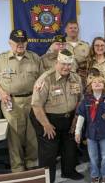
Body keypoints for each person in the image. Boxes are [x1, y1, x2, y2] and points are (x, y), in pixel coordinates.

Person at [0, 29, 42, 172]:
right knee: (15, 137)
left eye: (23, 42)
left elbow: (43, 80)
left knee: (33, 135)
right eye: (17, 42)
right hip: (11, 103)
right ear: (10, 43)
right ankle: (17, 168)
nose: (20, 44)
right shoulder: (1, 58)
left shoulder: (35, 58)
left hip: (32, 101)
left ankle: (32, 164)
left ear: (27, 42)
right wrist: (1, 93)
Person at [31, 49, 84, 183]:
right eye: (63, 64)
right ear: (57, 62)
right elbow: (36, 105)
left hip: (70, 117)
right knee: (49, 152)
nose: (66, 67)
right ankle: (48, 179)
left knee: (69, 147)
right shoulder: (45, 79)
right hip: (47, 118)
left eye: (69, 64)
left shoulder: (76, 78)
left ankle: (69, 171)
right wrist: (46, 125)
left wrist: (75, 121)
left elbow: (80, 101)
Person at [75, 75, 105, 183]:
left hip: (104, 133)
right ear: (90, 86)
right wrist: (77, 131)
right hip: (91, 133)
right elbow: (81, 116)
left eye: (100, 82)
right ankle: (95, 175)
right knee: (93, 157)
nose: (97, 83)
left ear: (104, 86)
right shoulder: (86, 100)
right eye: (94, 82)